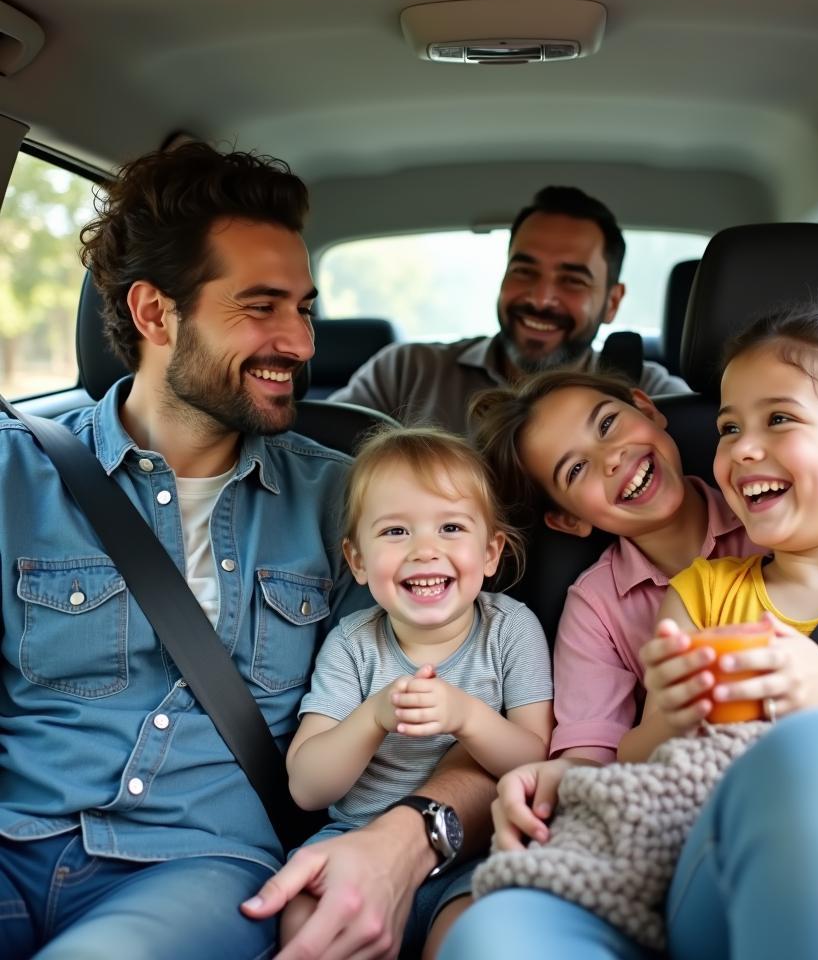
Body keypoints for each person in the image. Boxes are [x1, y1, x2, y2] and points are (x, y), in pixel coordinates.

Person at [0, 143, 493, 960]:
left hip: (193, 869)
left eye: (304, 308)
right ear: (157, 314)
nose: (300, 343)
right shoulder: (16, 476)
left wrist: (412, 840)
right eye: (262, 307)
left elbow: (469, 726)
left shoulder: (356, 506)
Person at [441, 305, 818, 959]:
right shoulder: (701, 592)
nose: (743, 447)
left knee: (814, 755)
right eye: (727, 427)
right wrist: (663, 720)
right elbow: (641, 761)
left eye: (778, 419)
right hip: (730, 853)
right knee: (496, 933)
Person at [282, 426, 553, 958]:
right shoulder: (354, 644)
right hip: (355, 840)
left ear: (491, 551)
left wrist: (467, 716)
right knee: (302, 914)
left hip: (477, 853)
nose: (425, 551)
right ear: (357, 561)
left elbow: (533, 755)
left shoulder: (510, 629)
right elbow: (307, 787)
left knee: (477, 932)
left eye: (451, 527)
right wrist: (374, 716)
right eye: (396, 532)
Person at [328, 186, 687, 433]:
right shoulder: (405, 374)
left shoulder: (650, 394)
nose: (541, 298)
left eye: (572, 280)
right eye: (524, 271)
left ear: (612, 302)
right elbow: (314, 457)